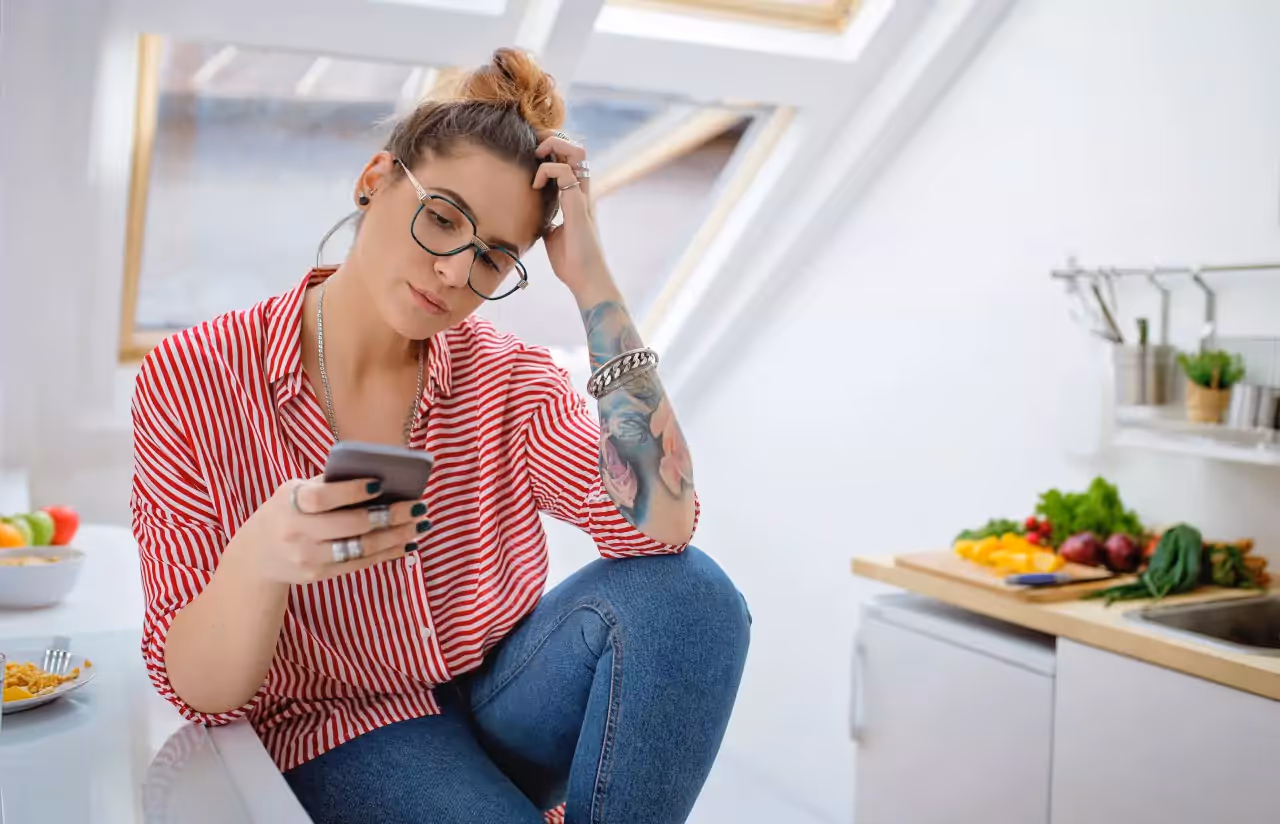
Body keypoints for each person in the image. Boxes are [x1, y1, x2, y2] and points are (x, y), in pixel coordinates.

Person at [131, 47, 750, 824]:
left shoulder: (508, 379)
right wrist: (262, 558)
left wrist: (593, 280)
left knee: (695, 598)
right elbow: (201, 694)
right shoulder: (197, 375)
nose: (457, 273)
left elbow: (663, 527)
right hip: (340, 728)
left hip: (499, 700)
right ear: (374, 180)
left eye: (494, 257)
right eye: (443, 219)